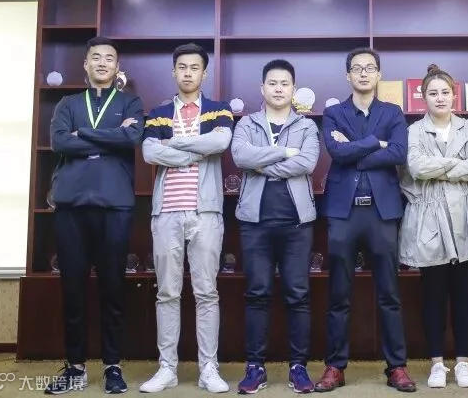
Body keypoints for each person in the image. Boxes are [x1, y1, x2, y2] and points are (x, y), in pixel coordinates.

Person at [314, 47, 416, 393]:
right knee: (339, 294)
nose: (363, 73)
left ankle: (397, 367)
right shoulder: (333, 113)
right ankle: (335, 367)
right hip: (342, 212)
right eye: (356, 68)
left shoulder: (392, 112)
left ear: (378, 74)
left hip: (381, 210)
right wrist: (376, 143)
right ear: (348, 75)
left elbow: (399, 153)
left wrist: (355, 150)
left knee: (389, 293)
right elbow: (335, 151)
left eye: (369, 68)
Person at [46, 36, 144, 395]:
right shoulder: (68, 103)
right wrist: (109, 136)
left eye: (109, 58)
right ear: (85, 65)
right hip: (71, 206)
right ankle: (75, 366)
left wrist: (84, 134)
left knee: (113, 288)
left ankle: (112, 366)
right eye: (96, 58)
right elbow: (60, 142)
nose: (103, 63)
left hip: (114, 205)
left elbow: (131, 138)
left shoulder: (130, 101)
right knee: (72, 289)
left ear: (117, 67)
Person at [139, 43, 233, 394]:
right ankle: (167, 368)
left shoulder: (218, 109)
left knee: (206, 292)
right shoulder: (159, 113)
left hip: (205, 212)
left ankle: (209, 368)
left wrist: (173, 145)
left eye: (195, 67)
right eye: (182, 67)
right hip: (166, 212)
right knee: (167, 292)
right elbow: (149, 151)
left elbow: (219, 144)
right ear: (174, 72)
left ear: (204, 73)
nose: (188, 72)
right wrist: (193, 148)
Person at [230, 59, 320, 394]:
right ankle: (255, 367)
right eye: (272, 83)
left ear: (293, 89)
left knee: (298, 294)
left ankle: (299, 367)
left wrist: (261, 164)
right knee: (257, 294)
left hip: (297, 223)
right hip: (255, 222)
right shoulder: (247, 123)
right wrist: (283, 152)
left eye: (284, 83)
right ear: (262, 88)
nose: (278, 89)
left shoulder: (307, 126)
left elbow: (307, 162)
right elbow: (240, 157)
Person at [399, 65, 468, 389]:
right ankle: (437, 363)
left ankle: (463, 362)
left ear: (454, 95)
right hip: (429, 218)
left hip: (466, 217)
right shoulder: (413, 131)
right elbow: (416, 167)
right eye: (433, 93)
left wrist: (440, 169)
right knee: (433, 296)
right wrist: (458, 166)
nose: (439, 98)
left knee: (464, 296)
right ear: (423, 97)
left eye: (445, 92)